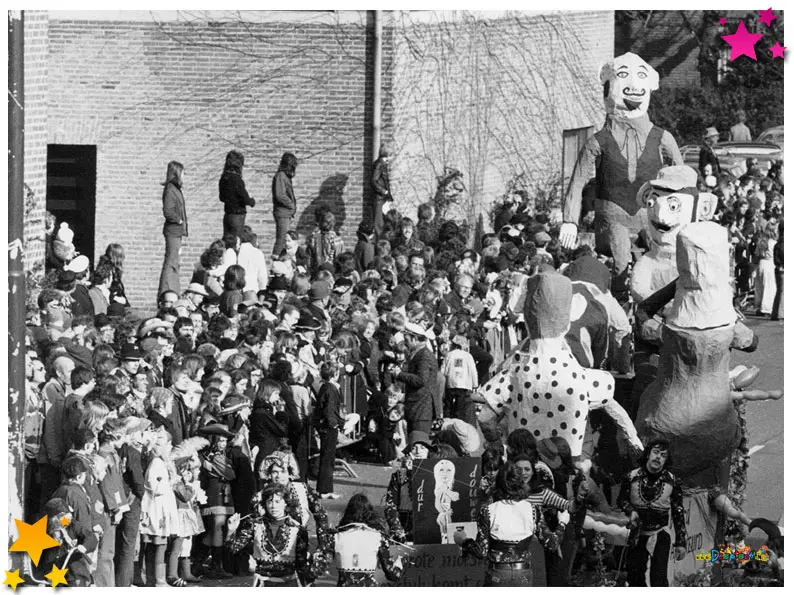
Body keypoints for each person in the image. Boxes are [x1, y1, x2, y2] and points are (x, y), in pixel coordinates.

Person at [454, 460, 563, 587]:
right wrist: (562, 523)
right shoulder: (534, 510)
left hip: (498, 573)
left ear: (498, 484)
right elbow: (552, 544)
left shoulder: (488, 511)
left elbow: (481, 552)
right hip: (523, 573)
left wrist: (464, 540)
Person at [618, 440, 687, 587]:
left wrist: (681, 542)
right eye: (655, 452)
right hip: (637, 534)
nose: (658, 457)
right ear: (648, 454)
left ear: (666, 460)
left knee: (659, 579)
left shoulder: (672, 481)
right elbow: (621, 500)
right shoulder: (631, 477)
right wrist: (631, 511)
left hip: (660, 533)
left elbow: (678, 512)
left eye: (663, 455)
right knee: (634, 577)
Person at [226, 483, 313, 587]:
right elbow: (233, 549)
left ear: (285, 503)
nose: (273, 506)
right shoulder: (254, 524)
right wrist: (231, 531)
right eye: (269, 501)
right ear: (265, 504)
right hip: (262, 584)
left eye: (277, 501)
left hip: (289, 584)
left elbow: (301, 564)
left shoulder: (297, 529)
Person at [328, 493, 405, 586]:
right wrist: (400, 562)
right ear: (370, 514)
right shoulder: (379, 537)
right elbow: (393, 575)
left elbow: (320, 565)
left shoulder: (335, 537)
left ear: (347, 513)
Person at [159, 160, 188, 296]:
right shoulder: (170, 189)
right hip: (173, 231)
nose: (184, 176)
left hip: (177, 231)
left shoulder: (175, 189)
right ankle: (166, 291)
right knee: (171, 262)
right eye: (182, 173)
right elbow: (168, 211)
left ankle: (173, 290)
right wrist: (179, 220)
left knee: (175, 262)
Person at [316, 362, 344, 500]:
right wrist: (335, 425)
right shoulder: (331, 389)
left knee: (327, 458)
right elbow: (330, 410)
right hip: (328, 427)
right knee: (328, 459)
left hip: (323, 426)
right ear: (335, 374)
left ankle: (325, 488)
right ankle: (325, 490)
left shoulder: (324, 387)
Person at [219, 150, 255, 238]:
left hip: (227, 214)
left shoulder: (224, 178)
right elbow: (245, 198)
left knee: (227, 241)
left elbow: (222, 198)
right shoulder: (237, 180)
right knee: (237, 241)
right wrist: (252, 201)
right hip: (237, 216)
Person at [272, 152, 298, 259]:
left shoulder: (284, 177)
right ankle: (275, 262)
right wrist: (291, 205)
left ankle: (281, 261)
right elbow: (280, 195)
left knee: (284, 240)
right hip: (282, 213)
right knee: (282, 240)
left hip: (286, 213)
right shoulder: (281, 176)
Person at [371, 143, 393, 237]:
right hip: (379, 199)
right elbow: (374, 181)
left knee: (384, 223)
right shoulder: (379, 164)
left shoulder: (383, 164)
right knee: (379, 224)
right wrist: (384, 191)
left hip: (383, 199)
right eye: (390, 155)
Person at [771, 220, 784, 321]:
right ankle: (781, 313)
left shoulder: (778, 243)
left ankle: (775, 312)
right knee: (783, 292)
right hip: (783, 268)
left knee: (779, 291)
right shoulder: (783, 243)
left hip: (779, 268)